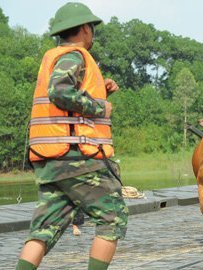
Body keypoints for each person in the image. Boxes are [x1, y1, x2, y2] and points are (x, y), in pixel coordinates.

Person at [16, 3, 128, 270]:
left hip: (51, 161)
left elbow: (63, 106)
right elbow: (60, 92)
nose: (92, 34)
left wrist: (101, 91)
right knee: (112, 217)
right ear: (85, 29)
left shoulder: (55, 56)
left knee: (44, 229)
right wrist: (101, 106)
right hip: (76, 159)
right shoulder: (74, 55)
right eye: (92, 29)